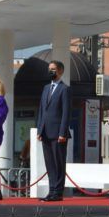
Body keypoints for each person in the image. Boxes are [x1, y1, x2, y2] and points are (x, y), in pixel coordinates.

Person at [36, 61, 71, 202]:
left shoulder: (65, 89)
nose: (51, 72)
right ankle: (51, 190)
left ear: (61, 71)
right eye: (49, 69)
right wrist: (39, 129)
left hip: (58, 133)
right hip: (45, 132)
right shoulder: (45, 88)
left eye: (54, 69)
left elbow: (66, 113)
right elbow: (41, 110)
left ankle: (58, 192)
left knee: (58, 163)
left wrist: (62, 133)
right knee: (49, 163)